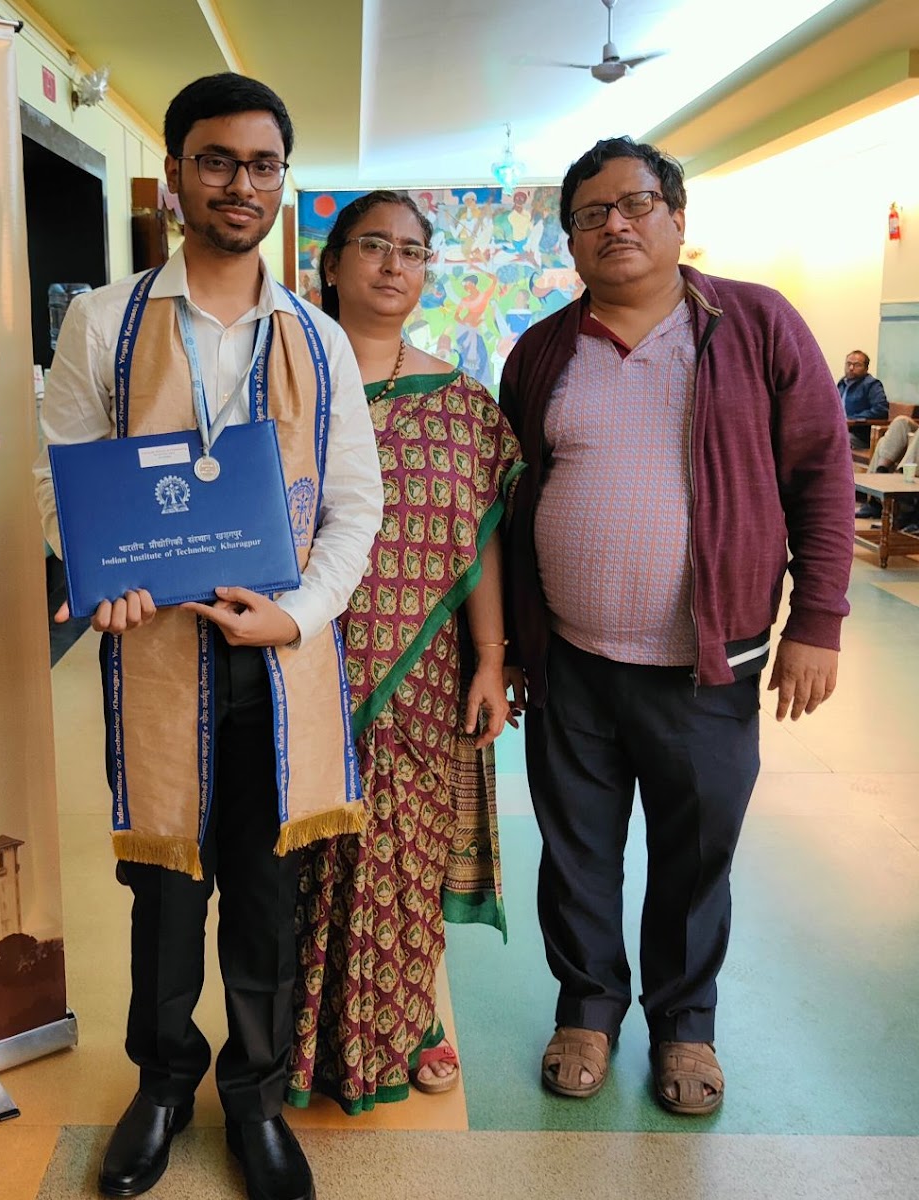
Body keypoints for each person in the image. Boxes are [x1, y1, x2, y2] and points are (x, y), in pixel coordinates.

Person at [32, 73, 382, 1200]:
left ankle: (255, 1099)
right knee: (166, 892)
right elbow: (57, 480)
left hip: (278, 661)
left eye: (262, 164)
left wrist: (300, 613)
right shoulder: (104, 322)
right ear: (175, 174)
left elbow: (355, 505)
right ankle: (163, 1083)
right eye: (217, 160)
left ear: (282, 181)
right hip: (157, 654)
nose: (241, 183)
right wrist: (105, 574)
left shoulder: (319, 340)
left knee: (269, 897)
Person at [501, 137, 852, 1116]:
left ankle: (684, 1025)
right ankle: (586, 1010)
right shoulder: (542, 351)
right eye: (589, 214)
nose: (613, 224)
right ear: (571, 239)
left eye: (635, 204)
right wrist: (514, 643)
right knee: (575, 851)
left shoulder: (754, 324)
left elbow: (822, 469)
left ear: (677, 217)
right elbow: (509, 502)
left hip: (707, 666)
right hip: (570, 660)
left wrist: (817, 620)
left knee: (695, 855)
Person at [288, 191, 521, 1113]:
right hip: (296, 660)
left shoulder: (462, 405)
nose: (394, 265)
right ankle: (292, 1034)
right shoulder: (286, 385)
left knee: (403, 856)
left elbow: (481, 541)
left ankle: (404, 1019)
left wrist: (491, 659)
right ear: (332, 262)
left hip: (420, 677)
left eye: (413, 251)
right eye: (373, 245)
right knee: (300, 855)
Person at [840, 350, 887, 448]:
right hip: (840, 429)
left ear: (866, 368)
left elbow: (880, 410)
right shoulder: (841, 384)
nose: (851, 368)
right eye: (848, 364)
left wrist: (852, 419)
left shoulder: (872, 385)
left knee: (835, 439)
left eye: (857, 365)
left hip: (859, 435)